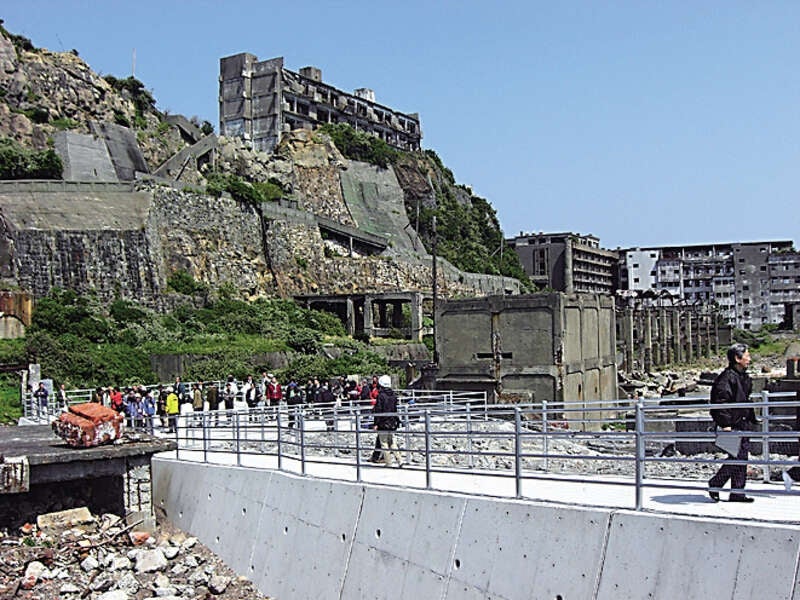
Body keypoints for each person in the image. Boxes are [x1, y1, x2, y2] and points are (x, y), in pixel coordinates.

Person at [708, 343, 758, 503]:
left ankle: (736, 492)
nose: (749, 359)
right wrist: (725, 424)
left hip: (742, 421)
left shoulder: (742, 376)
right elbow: (720, 402)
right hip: (733, 423)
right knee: (739, 457)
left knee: (740, 456)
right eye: (747, 356)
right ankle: (717, 483)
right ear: (738, 358)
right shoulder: (727, 378)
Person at [372, 375, 403, 467]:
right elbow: (395, 409)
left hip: (383, 422)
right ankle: (400, 460)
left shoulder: (381, 396)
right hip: (392, 421)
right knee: (392, 442)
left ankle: (388, 462)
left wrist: (376, 423)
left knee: (384, 443)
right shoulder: (393, 395)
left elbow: (378, 410)